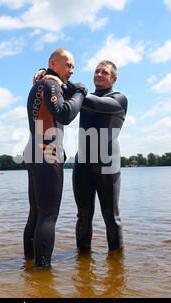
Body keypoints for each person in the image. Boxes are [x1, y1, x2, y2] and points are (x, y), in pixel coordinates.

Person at [35, 60, 128, 253]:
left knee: (111, 217)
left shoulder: (118, 99)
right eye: (96, 71)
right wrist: (47, 74)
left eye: (104, 72)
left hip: (107, 166)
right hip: (83, 165)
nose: (99, 75)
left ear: (114, 78)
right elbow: (65, 93)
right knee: (83, 215)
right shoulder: (83, 96)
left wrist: (65, 84)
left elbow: (92, 102)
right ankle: (83, 260)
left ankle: (117, 266)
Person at [23, 48, 87, 268]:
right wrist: (81, 93)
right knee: (48, 215)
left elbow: (60, 99)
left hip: (32, 151)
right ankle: (42, 272)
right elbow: (65, 113)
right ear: (54, 63)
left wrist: (70, 87)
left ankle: (29, 265)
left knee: (36, 212)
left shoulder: (42, 82)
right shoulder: (49, 84)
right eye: (68, 64)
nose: (72, 69)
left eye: (73, 65)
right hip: (47, 151)